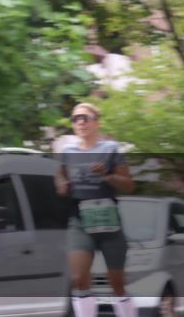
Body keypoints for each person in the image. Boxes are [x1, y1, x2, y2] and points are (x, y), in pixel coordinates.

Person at [56, 102, 136, 317]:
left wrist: (107, 176)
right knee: (79, 279)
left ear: (96, 122)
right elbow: (60, 175)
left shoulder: (110, 149)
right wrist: (61, 184)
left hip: (108, 221)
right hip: (80, 220)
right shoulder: (67, 151)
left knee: (116, 283)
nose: (80, 122)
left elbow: (129, 184)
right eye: (76, 119)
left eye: (85, 118)